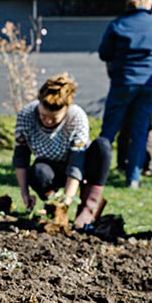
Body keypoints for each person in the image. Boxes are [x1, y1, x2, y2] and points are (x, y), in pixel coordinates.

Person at [13, 73, 111, 229]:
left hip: (81, 166)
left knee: (103, 146)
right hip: (50, 168)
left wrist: (67, 201)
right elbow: (21, 157)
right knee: (38, 172)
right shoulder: (26, 115)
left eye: (54, 118)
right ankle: (53, 206)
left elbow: (76, 164)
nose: (48, 121)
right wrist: (25, 193)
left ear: (66, 110)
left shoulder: (76, 117)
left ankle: (86, 209)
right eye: (43, 116)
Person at [97, 0, 152, 188]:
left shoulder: (118, 24)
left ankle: (97, 174)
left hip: (123, 82)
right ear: (149, 3)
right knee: (140, 131)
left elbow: (104, 53)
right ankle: (134, 178)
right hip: (148, 85)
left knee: (109, 131)